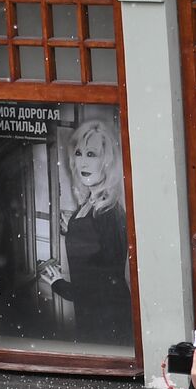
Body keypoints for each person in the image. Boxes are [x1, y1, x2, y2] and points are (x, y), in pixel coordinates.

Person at [38, 118, 133, 347]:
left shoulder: (109, 212)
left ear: (107, 162)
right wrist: (70, 228)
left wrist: (59, 283)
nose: (82, 162)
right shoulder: (91, 202)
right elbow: (94, 249)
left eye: (91, 154)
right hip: (96, 317)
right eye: (79, 153)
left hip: (107, 320)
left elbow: (104, 284)